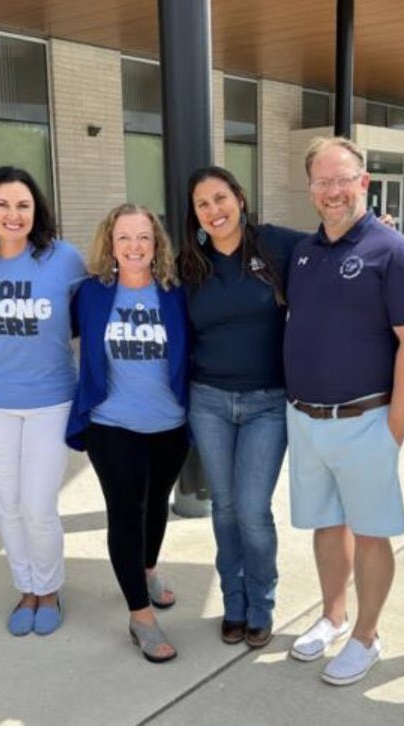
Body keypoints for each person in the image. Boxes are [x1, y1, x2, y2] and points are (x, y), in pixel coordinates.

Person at [283, 136, 404, 685]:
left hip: (366, 419)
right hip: (306, 418)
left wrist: (394, 427)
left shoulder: (395, 253)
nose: (333, 191)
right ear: (311, 189)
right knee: (327, 525)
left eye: (343, 179)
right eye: (322, 181)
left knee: (371, 532)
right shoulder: (302, 253)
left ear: (363, 182)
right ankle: (332, 616)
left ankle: (366, 636)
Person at [179, 167, 306, 648]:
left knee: (252, 509)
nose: (214, 211)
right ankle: (233, 603)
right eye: (202, 204)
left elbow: (335, 248)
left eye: (220, 198)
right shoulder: (190, 264)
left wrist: (379, 232)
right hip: (207, 401)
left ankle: (262, 603)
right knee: (225, 508)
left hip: (268, 404)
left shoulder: (276, 246)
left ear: (240, 198)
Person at [0, 167, 85, 637]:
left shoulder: (64, 258)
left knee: (37, 504)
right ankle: (26, 588)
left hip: (50, 399)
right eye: (3, 205)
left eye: (23, 205)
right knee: (8, 503)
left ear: (37, 211)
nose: (13, 215)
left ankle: (49, 588)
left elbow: (84, 316)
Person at [67, 203, 189, 663]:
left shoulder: (175, 293)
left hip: (170, 425)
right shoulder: (91, 294)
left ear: (156, 244)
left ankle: (147, 570)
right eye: (125, 238)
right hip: (112, 425)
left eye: (144, 237)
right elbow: (49, 332)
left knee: (156, 503)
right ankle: (140, 616)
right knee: (125, 510)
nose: (135, 246)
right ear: (110, 243)